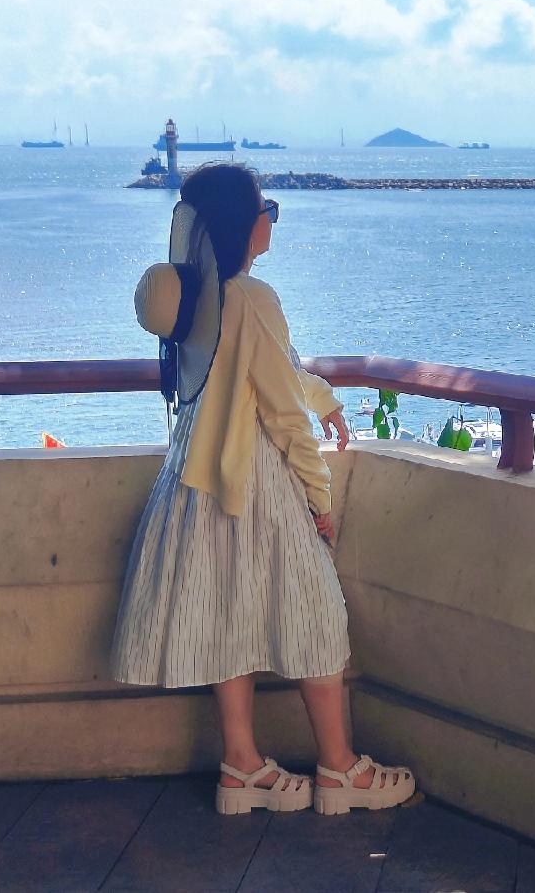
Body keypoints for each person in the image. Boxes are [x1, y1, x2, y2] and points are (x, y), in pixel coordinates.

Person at [109, 163, 414, 816]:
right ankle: (339, 769)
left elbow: (268, 370)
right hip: (255, 486)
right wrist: (320, 500)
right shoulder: (250, 297)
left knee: (228, 618)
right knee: (317, 615)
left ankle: (242, 766)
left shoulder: (199, 298)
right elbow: (282, 411)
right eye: (265, 208)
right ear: (241, 224)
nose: (270, 218)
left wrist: (323, 398)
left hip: (194, 485)